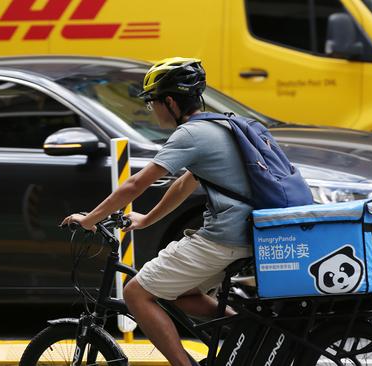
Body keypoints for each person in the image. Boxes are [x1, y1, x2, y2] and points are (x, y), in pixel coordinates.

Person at [60, 57, 252, 366]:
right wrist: (147, 219)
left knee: (136, 293)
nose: (152, 110)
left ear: (171, 101)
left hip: (223, 238)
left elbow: (135, 184)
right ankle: (248, 332)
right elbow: (184, 184)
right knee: (178, 293)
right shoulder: (218, 124)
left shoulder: (190, 134)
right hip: (242, 234)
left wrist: (90, 220)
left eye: (153, 103)